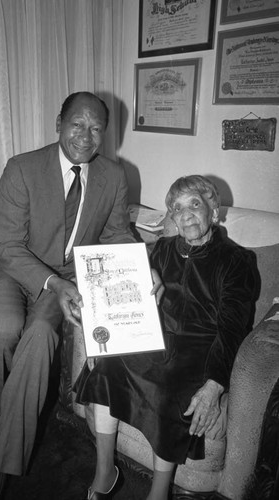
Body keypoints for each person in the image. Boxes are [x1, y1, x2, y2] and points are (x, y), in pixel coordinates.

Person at [0, 91, 140, 500]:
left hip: (65, 275)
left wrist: (140, 262)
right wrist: (55, 284)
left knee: (42, 333)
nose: (86, 135)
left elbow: (116, 233)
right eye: (77, 124)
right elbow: (7, 245)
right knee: (1, 331)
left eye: (97, 128)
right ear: (58, 123)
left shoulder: (114, 176)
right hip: (14, 265)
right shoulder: (22, 168)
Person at [75, 175, 258, 500]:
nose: (185, 214)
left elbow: (233, 328)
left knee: (169, 386)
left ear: (213, 211)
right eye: (177, 208)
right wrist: (103, 337)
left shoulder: (236, 260)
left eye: (194, 205)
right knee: (107, 364)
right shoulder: (161, 249)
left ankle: (159, 493)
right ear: (171, 218)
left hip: (199, 349)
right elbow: (124, 294)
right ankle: (105, 472)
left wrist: (214, 386)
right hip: (155, 338)